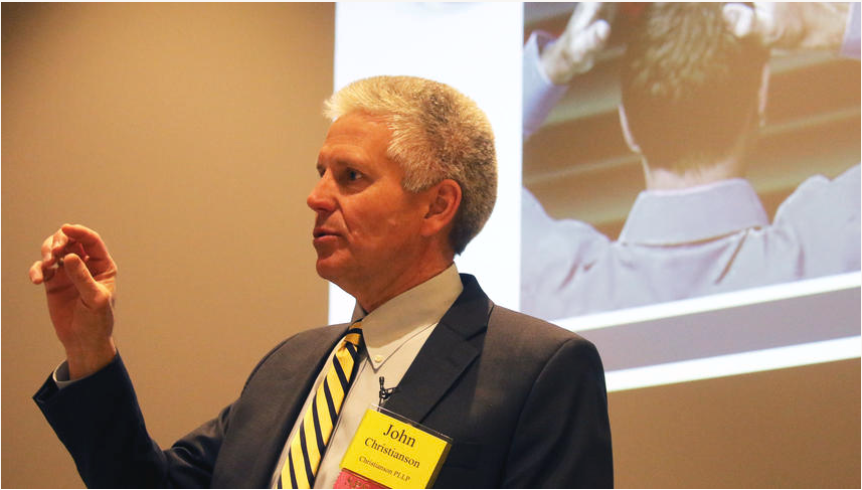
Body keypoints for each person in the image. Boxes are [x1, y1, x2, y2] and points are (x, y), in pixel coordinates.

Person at [30, 76, 613, 488]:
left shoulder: (538, 369)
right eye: (320, 174)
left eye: (350, 176)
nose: (316, 197)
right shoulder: (290, 366)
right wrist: (90, 347)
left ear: (437, 206)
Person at [521, 2, 861, 320]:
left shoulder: (556, 285)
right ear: (761, 100)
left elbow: (482, 158)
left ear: (626, 124)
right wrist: (827, 25)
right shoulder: (831, 247)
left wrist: (556, 63)